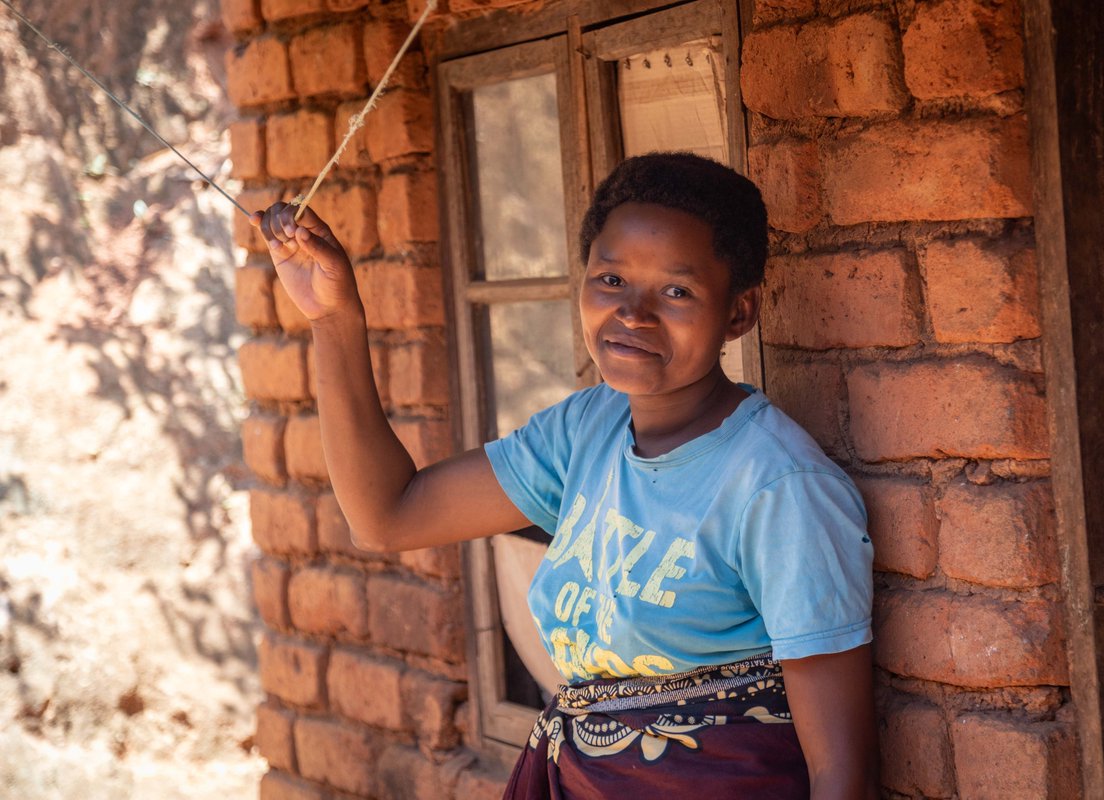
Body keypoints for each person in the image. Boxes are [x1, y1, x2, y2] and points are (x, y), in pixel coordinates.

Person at [253, 152, 879, 799]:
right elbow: (389, 514)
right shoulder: (589, 428)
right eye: (610, 279)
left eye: (677, 291)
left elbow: (840, 771)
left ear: (739, 313)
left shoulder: (778, 487)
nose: (633, 313)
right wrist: (333, 320)